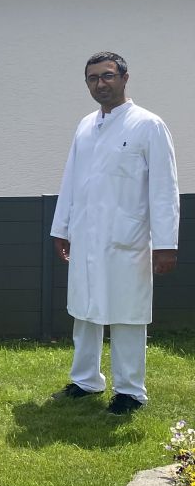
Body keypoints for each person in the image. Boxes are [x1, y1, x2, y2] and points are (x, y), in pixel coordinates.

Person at [50, 52, 179, 416]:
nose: (99, 84)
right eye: (92, 78)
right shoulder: (85, 126)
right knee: (85, 311)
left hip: (129, 240)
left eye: (107, 76)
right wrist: (61, 228)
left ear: (124, 78)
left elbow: (164, 189)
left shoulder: (148, 125)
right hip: (86, 238)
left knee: (127, 315)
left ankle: (130, 391)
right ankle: (85, 380)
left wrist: (166, 244)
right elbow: (71, 181)